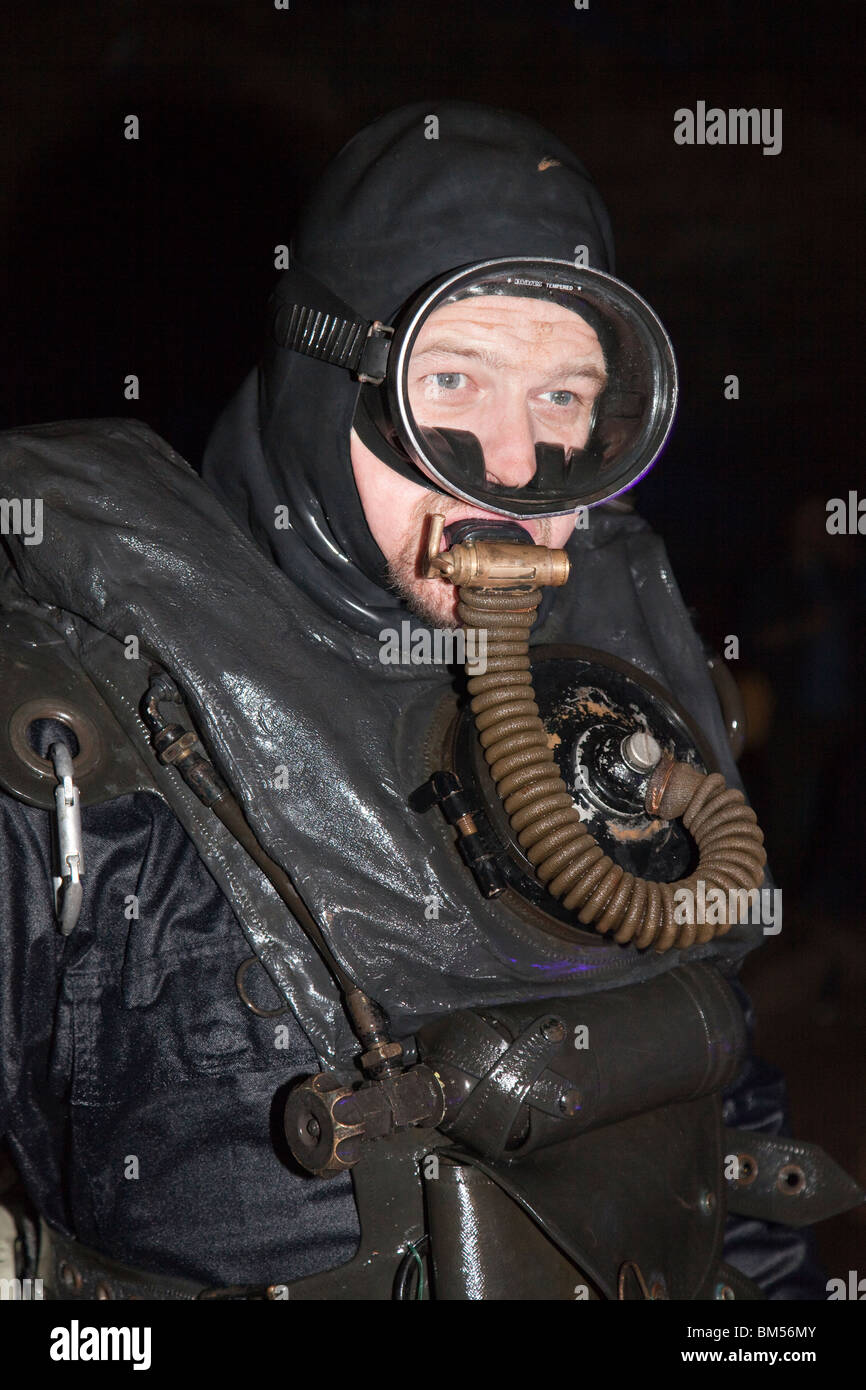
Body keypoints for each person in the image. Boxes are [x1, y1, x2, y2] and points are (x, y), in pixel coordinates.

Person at [0, 101, 855, 1301]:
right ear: (321, 376)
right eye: (452, 379)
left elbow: (726, 1127)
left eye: (563, 399)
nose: (510, 468)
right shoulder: (79, 700)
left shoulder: (629, 672)